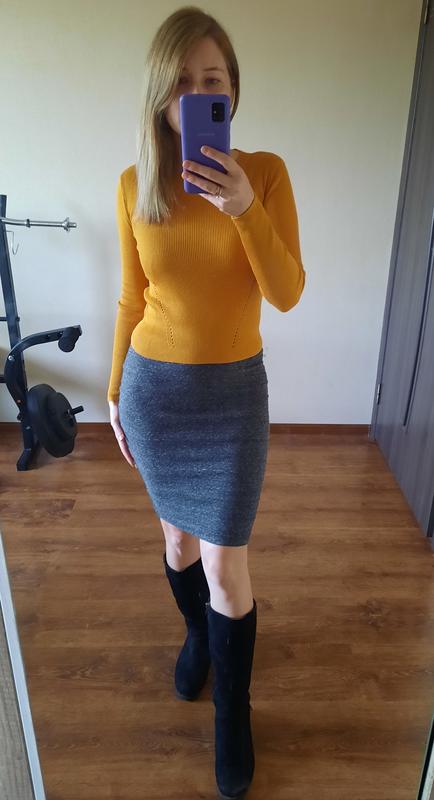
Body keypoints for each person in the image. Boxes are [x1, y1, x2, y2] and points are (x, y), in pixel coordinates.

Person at [107, 6, 305, 799]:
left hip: (232, 399)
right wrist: (114, 392)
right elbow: (131, 300)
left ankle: (233, 713)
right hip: (156, 394)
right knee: (178, 544)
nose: (196, 93)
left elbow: (286, 293)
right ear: (159, 95)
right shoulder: (134, 185)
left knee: (225, 562)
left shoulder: (267, 175)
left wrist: (243, 207)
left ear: (232, 90)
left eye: (211, 79)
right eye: (181, 81)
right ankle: (198, 636)